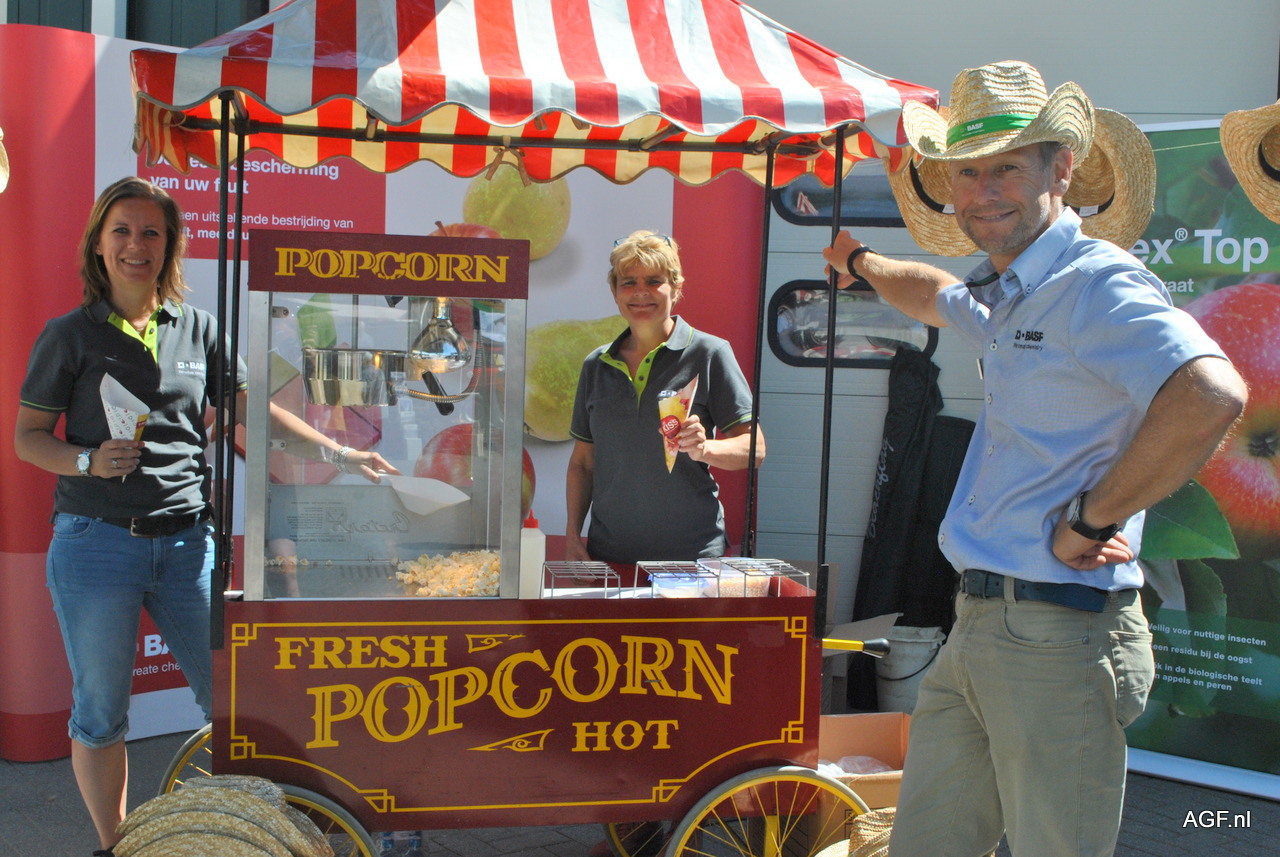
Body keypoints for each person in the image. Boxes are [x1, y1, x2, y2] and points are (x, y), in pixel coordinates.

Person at [821, 62, 1248, 857]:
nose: (983, 190)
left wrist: (1093, 517)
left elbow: (1209, 394)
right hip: (980, 624)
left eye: (1008, 167)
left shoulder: (1095, 284)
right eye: (967, 172)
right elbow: (934, 296)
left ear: (1062, 168)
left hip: (1060, 631)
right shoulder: (1009, 292)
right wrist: (861, 264)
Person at [13, 176, 397, 856]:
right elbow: (28, 437)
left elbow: (252, 411)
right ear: (99, 244)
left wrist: (340, 451)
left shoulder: (199, 328)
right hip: (97, 543)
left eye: (151, 233)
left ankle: (255, 836)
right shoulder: (69, 335)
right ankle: (116, 846)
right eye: (122, 231)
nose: (136, 245)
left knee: (232, 704)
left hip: (189, 543)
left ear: (169, 247)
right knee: (101, 712)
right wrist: (86, 460)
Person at [565, 229, 765, 566]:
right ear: (615, 292)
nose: (641, 292)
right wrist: (572, 535)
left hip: (693, 558)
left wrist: (705, 449)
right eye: (629, 282)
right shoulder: (596, 365)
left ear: (676, 288)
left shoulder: (710, 353)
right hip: (610, 558)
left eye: (654, 281)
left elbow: (755, 449)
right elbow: (583, 464)